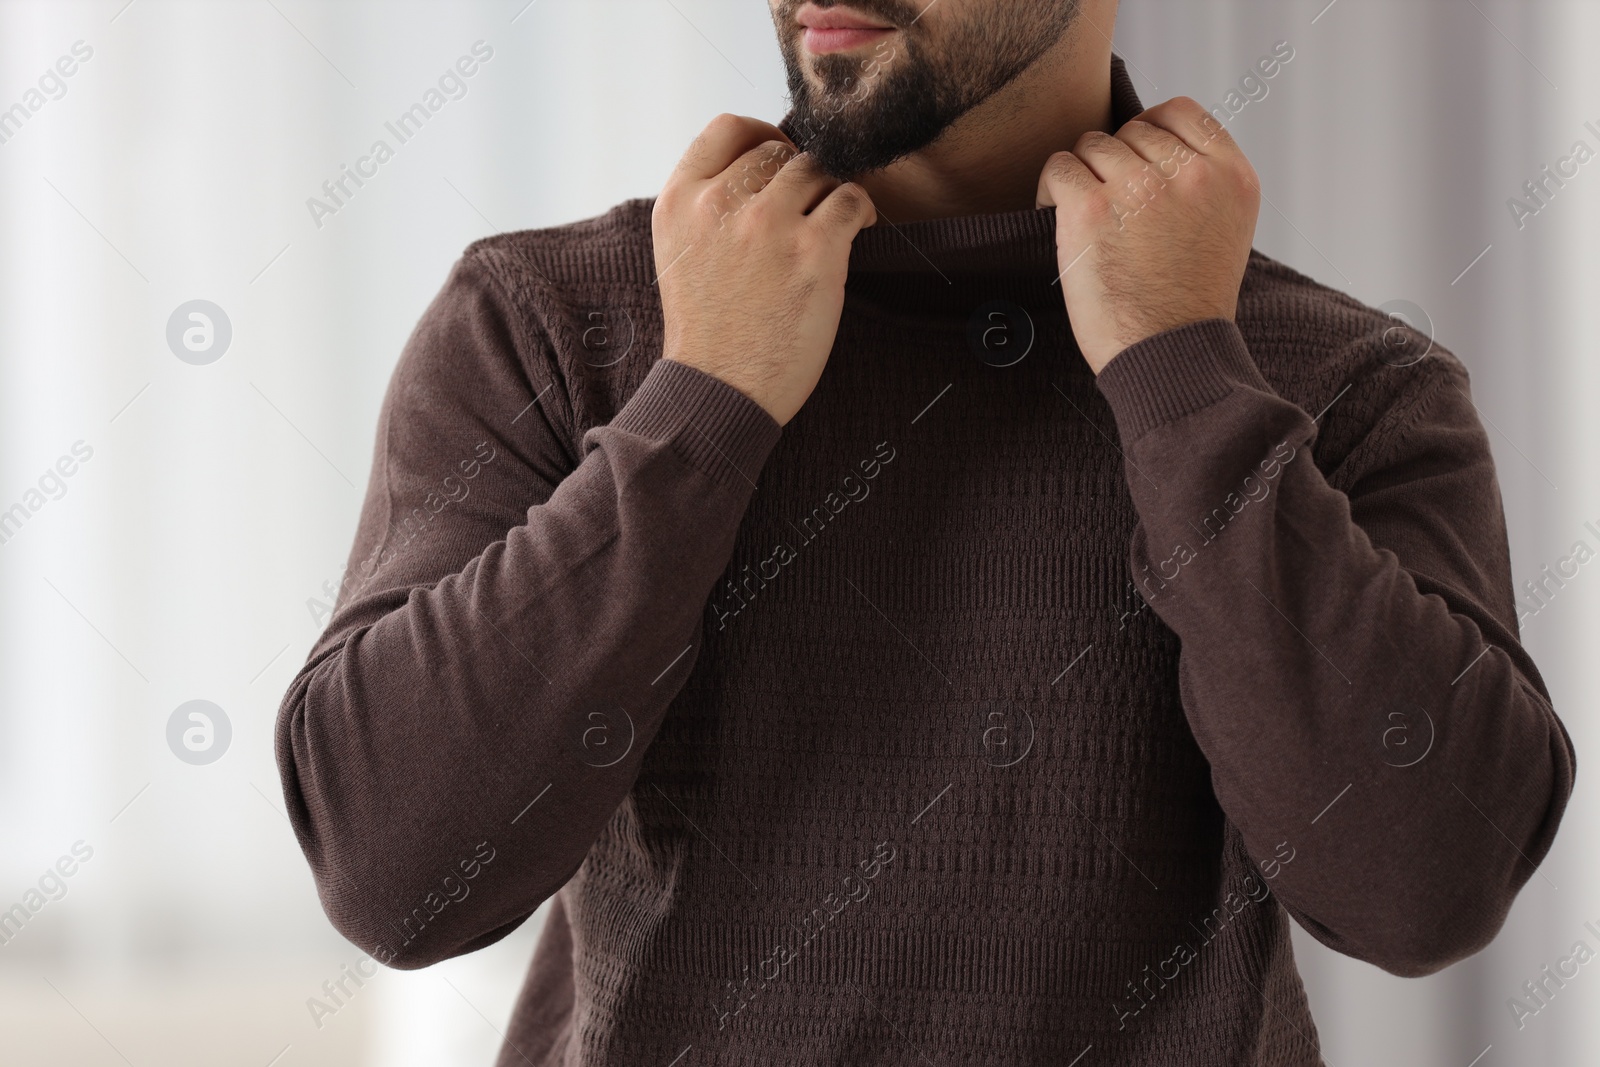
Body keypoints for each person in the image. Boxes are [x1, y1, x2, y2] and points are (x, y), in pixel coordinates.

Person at [275, 1, 1576, 1063]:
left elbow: (1425, 888)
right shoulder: (555, 324)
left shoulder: (1340, 379)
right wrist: (705, 405)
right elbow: (400, 875)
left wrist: (1182, 377)